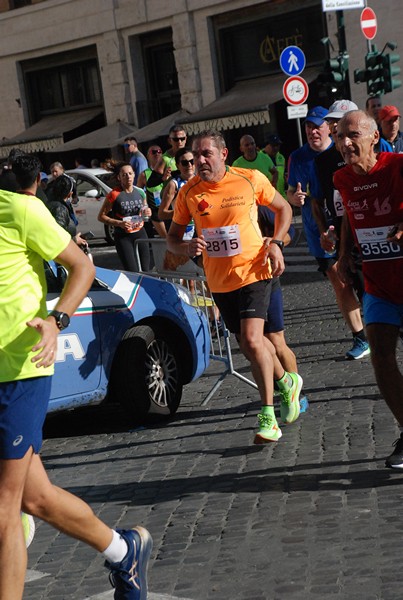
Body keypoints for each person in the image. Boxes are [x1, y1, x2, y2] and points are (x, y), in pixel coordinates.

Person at [0, 153, 152, 600]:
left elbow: (81, 266)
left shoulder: (20, 209)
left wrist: (57, 320)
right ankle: (123, 550)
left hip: (19, 372)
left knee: (5, 510)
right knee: (37, 499)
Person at [167, 129, 303, 445]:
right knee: (247, 343)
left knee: (256, 340)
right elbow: (172, 239)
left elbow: (283, 209)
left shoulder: (248, 178)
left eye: (206, 154)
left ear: (223, 154)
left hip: (256, 271)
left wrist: (276, 243)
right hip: (220, 280)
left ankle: (268, 416)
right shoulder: (189, 192)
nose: (199, 160)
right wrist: (186, 248)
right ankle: (285, 382)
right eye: (196, 155)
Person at [334, 110, 403, 469]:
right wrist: (343, 252)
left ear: (374, 137)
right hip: (379, 284)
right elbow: (349, 210)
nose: (345, 143)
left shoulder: (397, 165)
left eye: (352, 135)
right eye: (339, 136)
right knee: (380, 355)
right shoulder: (342, 178)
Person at [309, 99, 370, 360]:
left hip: (374, 234)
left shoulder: (380, 152)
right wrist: (326, 231)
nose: (336, 129)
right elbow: (319, 200)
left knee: (375, 290)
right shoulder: (324, 163)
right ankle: (362, 337)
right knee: (349, 287)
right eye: (333, 124)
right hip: (344, 236)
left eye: (343, 124)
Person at [257, 205, 309, 413]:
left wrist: (274, 244)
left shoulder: (258, 205)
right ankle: (282, 387)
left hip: (267, 278)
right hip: (238, 282)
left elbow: (290, 232)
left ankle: (297, 394)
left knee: (275, 339)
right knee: (255, 343)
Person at [98, 162, 152, 272]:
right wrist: (120, 223)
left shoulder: (141, 192)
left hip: (140, 232)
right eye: (124, 175)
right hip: (123, 237)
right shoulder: (114, 194)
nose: (128, 177)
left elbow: (145, 209)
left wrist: (147, 212)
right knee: (132, 271)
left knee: (146, 270)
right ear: (119, 178)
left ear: (134, 175)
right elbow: (101, 217)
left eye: (130, 173)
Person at [45, 173, 88, 249]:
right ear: (70, 194)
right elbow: (56, 238)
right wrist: (75, 240)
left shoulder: (51, 204)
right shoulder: (59, 209)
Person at [137, 145, 170, 238]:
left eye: (159, 151)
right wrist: (145, 206)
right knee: (167, 238)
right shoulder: (144, 174)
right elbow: (139, 193)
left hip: (170, 208)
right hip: (156, 211)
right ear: (148, 156)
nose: (157, 154)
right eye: (154, 152)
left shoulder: (168, 170)